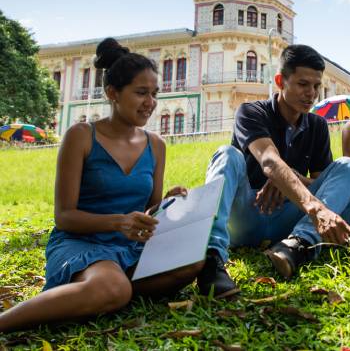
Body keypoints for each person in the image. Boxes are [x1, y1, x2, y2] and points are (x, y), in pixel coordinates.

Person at [0, 38, 206, 332]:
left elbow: (147, 213)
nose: (150, 103)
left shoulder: (157, 145)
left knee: (191, 263)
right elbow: (65, 216)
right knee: (114, 289)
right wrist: (118, 222)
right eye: (141, 93)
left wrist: (167, 203)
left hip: (129, 247)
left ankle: (97, 294)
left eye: (154, 94)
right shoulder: (82, 136)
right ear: (113, 93)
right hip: (81, 244)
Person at [204, 44, 350, 280]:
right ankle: (211, 255)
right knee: (228, 154)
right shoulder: (250, 112)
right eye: (303, 84)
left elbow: (322, 186)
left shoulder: (317, 126)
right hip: (246, 214)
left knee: (348, 165)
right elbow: (269, 160)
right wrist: (314, 208)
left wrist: (291, 178)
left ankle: (298, 244)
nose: (312, 93)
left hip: (286, 220)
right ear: (280, 81)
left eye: (316, 86)